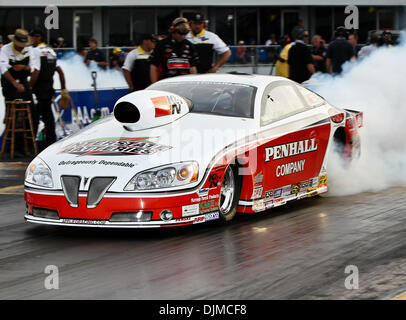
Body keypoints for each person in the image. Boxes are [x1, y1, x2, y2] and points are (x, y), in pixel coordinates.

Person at [29, 29, 68, 147]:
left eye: (32, 37)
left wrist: (29, 88)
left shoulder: (36, 51)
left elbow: (36, 71)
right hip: (49, 89)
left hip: (38, 90)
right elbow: (60, 72)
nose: (30, 40)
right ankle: (51, 143)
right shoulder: (51, 50)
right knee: (48, 117)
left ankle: (31, 145)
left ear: (37, 37)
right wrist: (63, 89)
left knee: (34, 117)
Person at [0, 28, 40, 136]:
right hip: (9, 82)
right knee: (13, 113)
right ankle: (11, 144)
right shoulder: (5, 49)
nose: (21, 46)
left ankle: (29, 141)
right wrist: (15, 83)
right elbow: (3, 70)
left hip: (23, 80)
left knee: (33, 112)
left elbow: (33, 68)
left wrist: (24, 67)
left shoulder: (29, 49)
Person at [149, 17, 198, 83]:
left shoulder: (189, 45)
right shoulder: (161, 45)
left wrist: (193, 84)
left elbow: (192, 67)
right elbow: (153, 66)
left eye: (185, 34)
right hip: (167, 83)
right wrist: (154, 85)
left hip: (185, 83)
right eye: (180, 33)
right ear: (173, 31)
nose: (183, 36)